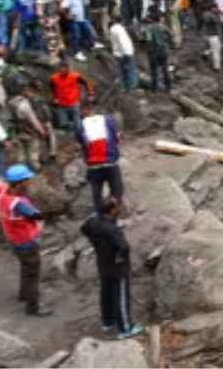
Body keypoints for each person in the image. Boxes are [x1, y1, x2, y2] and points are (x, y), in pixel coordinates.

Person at [81, 196, 142, 337]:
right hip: (117, 268)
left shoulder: (92, 223)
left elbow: (83, 229)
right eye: (116, 207)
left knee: (106, 293)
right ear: (112, 210)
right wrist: (120, 259)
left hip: (103, 264)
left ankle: (108, 321)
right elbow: (124, 246)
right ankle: (125, 328)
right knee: (121, 296)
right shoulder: (113, 230)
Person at [0, 165, 51, 315]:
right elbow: (37, 215)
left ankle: (24, 294)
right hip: (27, 241)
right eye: (27, 180)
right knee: (32, 273)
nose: (29, 183)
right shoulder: (19, 203)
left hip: (15, 241)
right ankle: (33, 306)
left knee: (25, 268)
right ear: (19, 183)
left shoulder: (4, 197)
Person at [77, 106, 123, 214]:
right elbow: (117, 138)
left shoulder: (80, 126)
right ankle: (113, 212)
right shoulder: (109, 120)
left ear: (83, 113)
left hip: (93, 165)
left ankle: (100, 215)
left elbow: (79, 146)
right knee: (117, 190)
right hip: (110, 162)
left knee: (96, 194)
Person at [49, 58, 94, 134]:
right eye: (60, 68)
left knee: (78, 125)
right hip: (62, 105)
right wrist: (55, 98)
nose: (62, 70)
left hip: (74, 104)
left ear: (67, 69)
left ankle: (81, 136)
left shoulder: (75, 76)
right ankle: (71, 137)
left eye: (64, 68)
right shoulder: (54, 78)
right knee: (63, 125)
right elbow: (52, 89)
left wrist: (91, 94)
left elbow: (87, 83)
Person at [108, 18, 137, 91]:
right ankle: (131, 88)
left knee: (122, 71)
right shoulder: (120, 30)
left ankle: (123, 87)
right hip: (125, 52)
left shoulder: (112, 29)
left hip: (118, 53)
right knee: (129, 70)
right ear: (122, 21)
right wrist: (127, 52)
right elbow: (123, 41)